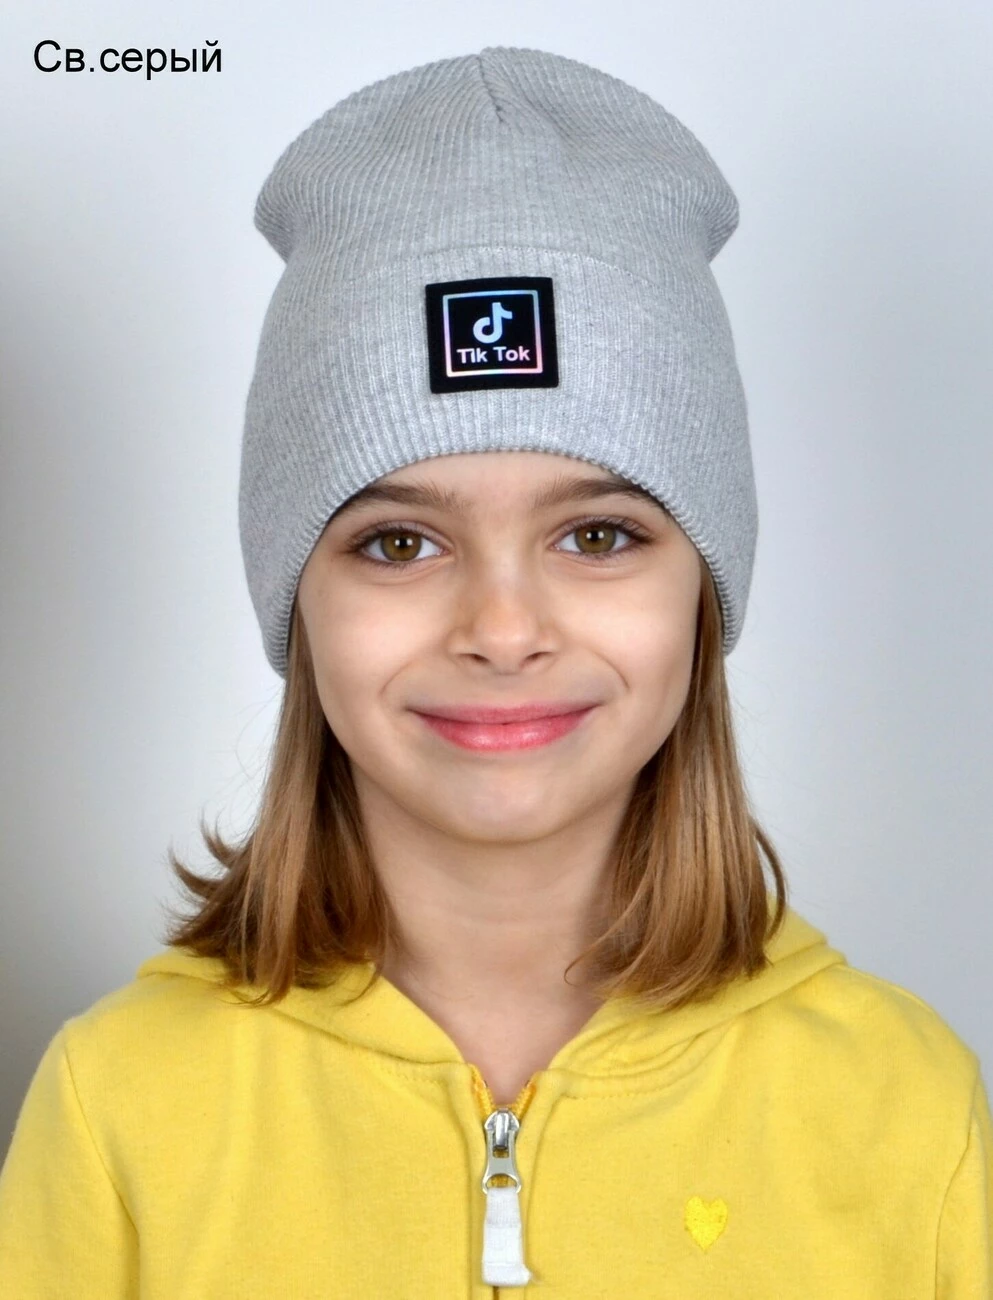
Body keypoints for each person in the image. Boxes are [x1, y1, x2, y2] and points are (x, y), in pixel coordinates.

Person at [0, 44, 989, 1297]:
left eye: (599, 535)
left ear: (703, 590)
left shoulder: (904, 1108)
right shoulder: (120, 1107)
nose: (504, 628)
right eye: (399, 543)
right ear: (299, 598)